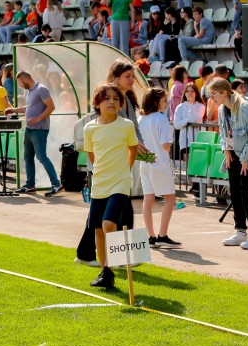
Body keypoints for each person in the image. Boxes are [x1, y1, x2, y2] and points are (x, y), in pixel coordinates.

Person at [83, 83, 139, 288]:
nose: (112, 102)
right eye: (107, 98)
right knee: (97, 228)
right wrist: (101, 170)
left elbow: (133, 150)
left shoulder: (126, 125)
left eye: (116, 99)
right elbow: (92, 155)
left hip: (120, 183)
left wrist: (125, 169)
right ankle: (105, 272)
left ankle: (113, 266)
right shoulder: (89, 128)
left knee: (108, 223)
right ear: (97, 103)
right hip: (99, 183)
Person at [209, 78, 248, 250]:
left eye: (213, 94)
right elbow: (224, 133)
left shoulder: (244, 108)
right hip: (234, 156)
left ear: (224, 92)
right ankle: (240, 231)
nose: (211, 97)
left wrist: (244, 158)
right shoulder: (222, 109)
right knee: (235, 193)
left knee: (247, 194)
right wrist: (226, 150)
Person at [5, 71, 63, 196]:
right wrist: (14, 110)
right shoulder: (31, 91)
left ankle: (56, 184)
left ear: (25, 79)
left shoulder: (41, 89)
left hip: (39, 129)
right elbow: (29, 107)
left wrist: (37, 119)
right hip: (29, 129)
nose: (19, 85)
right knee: (28, 157)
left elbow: (51, 107)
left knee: (42, 157)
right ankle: (30, 185)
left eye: (19, 82)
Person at [138, 88, 181, 248]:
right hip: (160, 162)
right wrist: (167, 149)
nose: (167, 103)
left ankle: (151, 236)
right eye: (164, 100)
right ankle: (162, 235)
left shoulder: (141, 118)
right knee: (170, 199)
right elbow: (165, 144)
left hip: (145, 161)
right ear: (156, 102)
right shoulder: (161, 118)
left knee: (148, 199)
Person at [172, 82, 205, 158]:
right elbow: (176, 125)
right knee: (188, 163)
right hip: (184, 140)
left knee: (196, 161)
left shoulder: (201, 106)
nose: (190, 93)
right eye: (187, 91)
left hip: (197, 139)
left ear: (196, 93)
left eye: (192, 91)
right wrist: (187, 121)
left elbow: (195, 120)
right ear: (184, 93)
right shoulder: (180, 107)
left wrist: (190, 105)